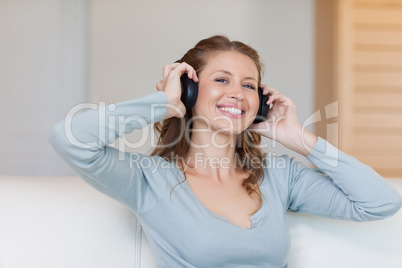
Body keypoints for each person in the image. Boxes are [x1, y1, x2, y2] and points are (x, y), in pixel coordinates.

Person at [49, 35, 401, 268]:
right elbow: (70, 138)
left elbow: (380, 202)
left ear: (259, 104)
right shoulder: (149, 180)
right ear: (190, 91)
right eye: (222, 80)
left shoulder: (280, 176)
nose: (238, 93)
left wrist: (298, 138)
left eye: (249, 85)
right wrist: (164, 103)